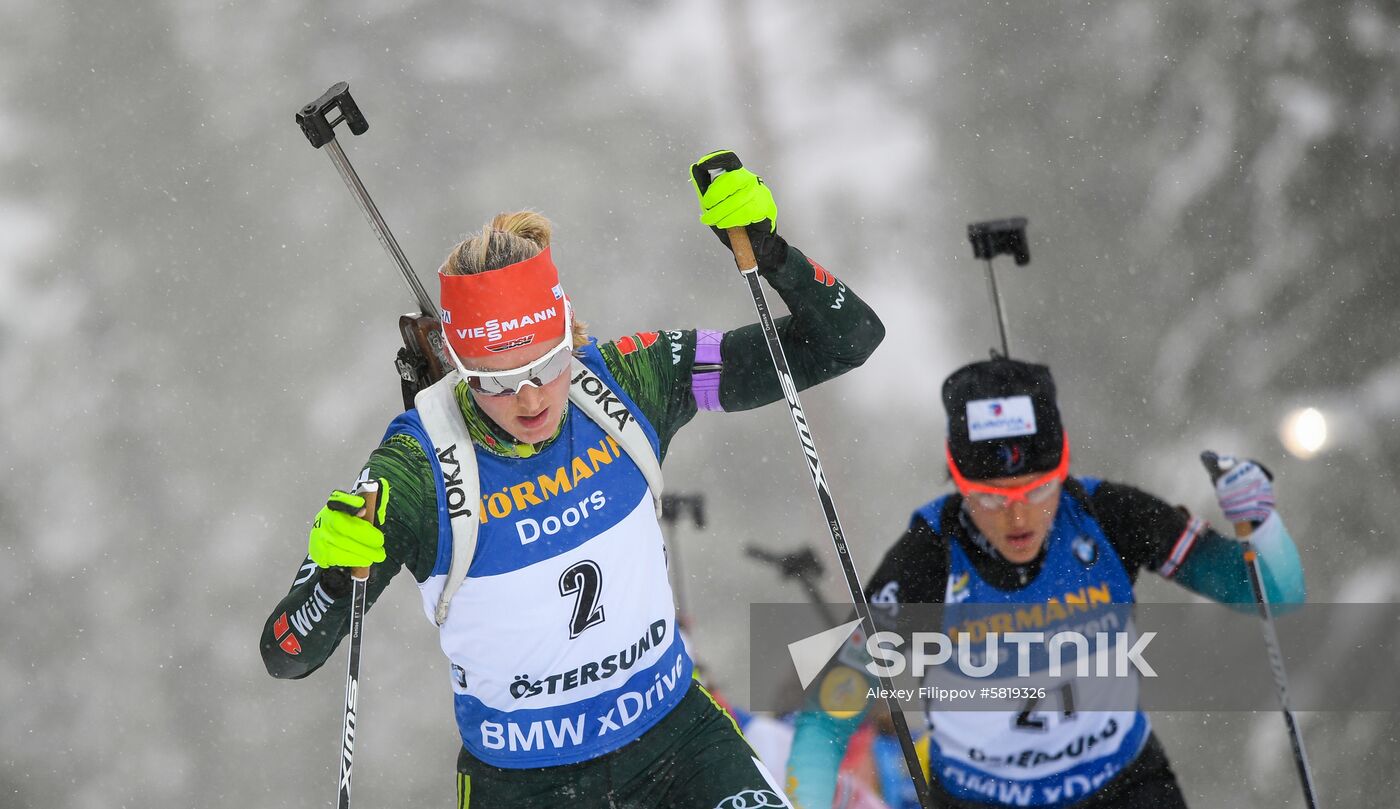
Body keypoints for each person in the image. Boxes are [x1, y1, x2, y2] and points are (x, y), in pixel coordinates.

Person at [259, 150, 885, 809]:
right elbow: (287, 650)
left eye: (549, 363)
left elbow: (847, 339)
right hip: (523, 784)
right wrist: (333, 576)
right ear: (460, 369)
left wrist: (771, 252)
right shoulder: (415, 468)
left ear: (569, 333)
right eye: (498, 382)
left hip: (678, 742)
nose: (530, 397)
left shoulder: (632, 381)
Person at [784, 357, 1306, 809]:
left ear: (1063, 470)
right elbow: (826, 719)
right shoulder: (929, 556)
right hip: (979, 799)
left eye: (1037, 491)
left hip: (1121, 786)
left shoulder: (1110, 516)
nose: (1018, 518)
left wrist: (1262, 526)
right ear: (957, 483)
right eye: (990, 498)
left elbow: (1271, 597)